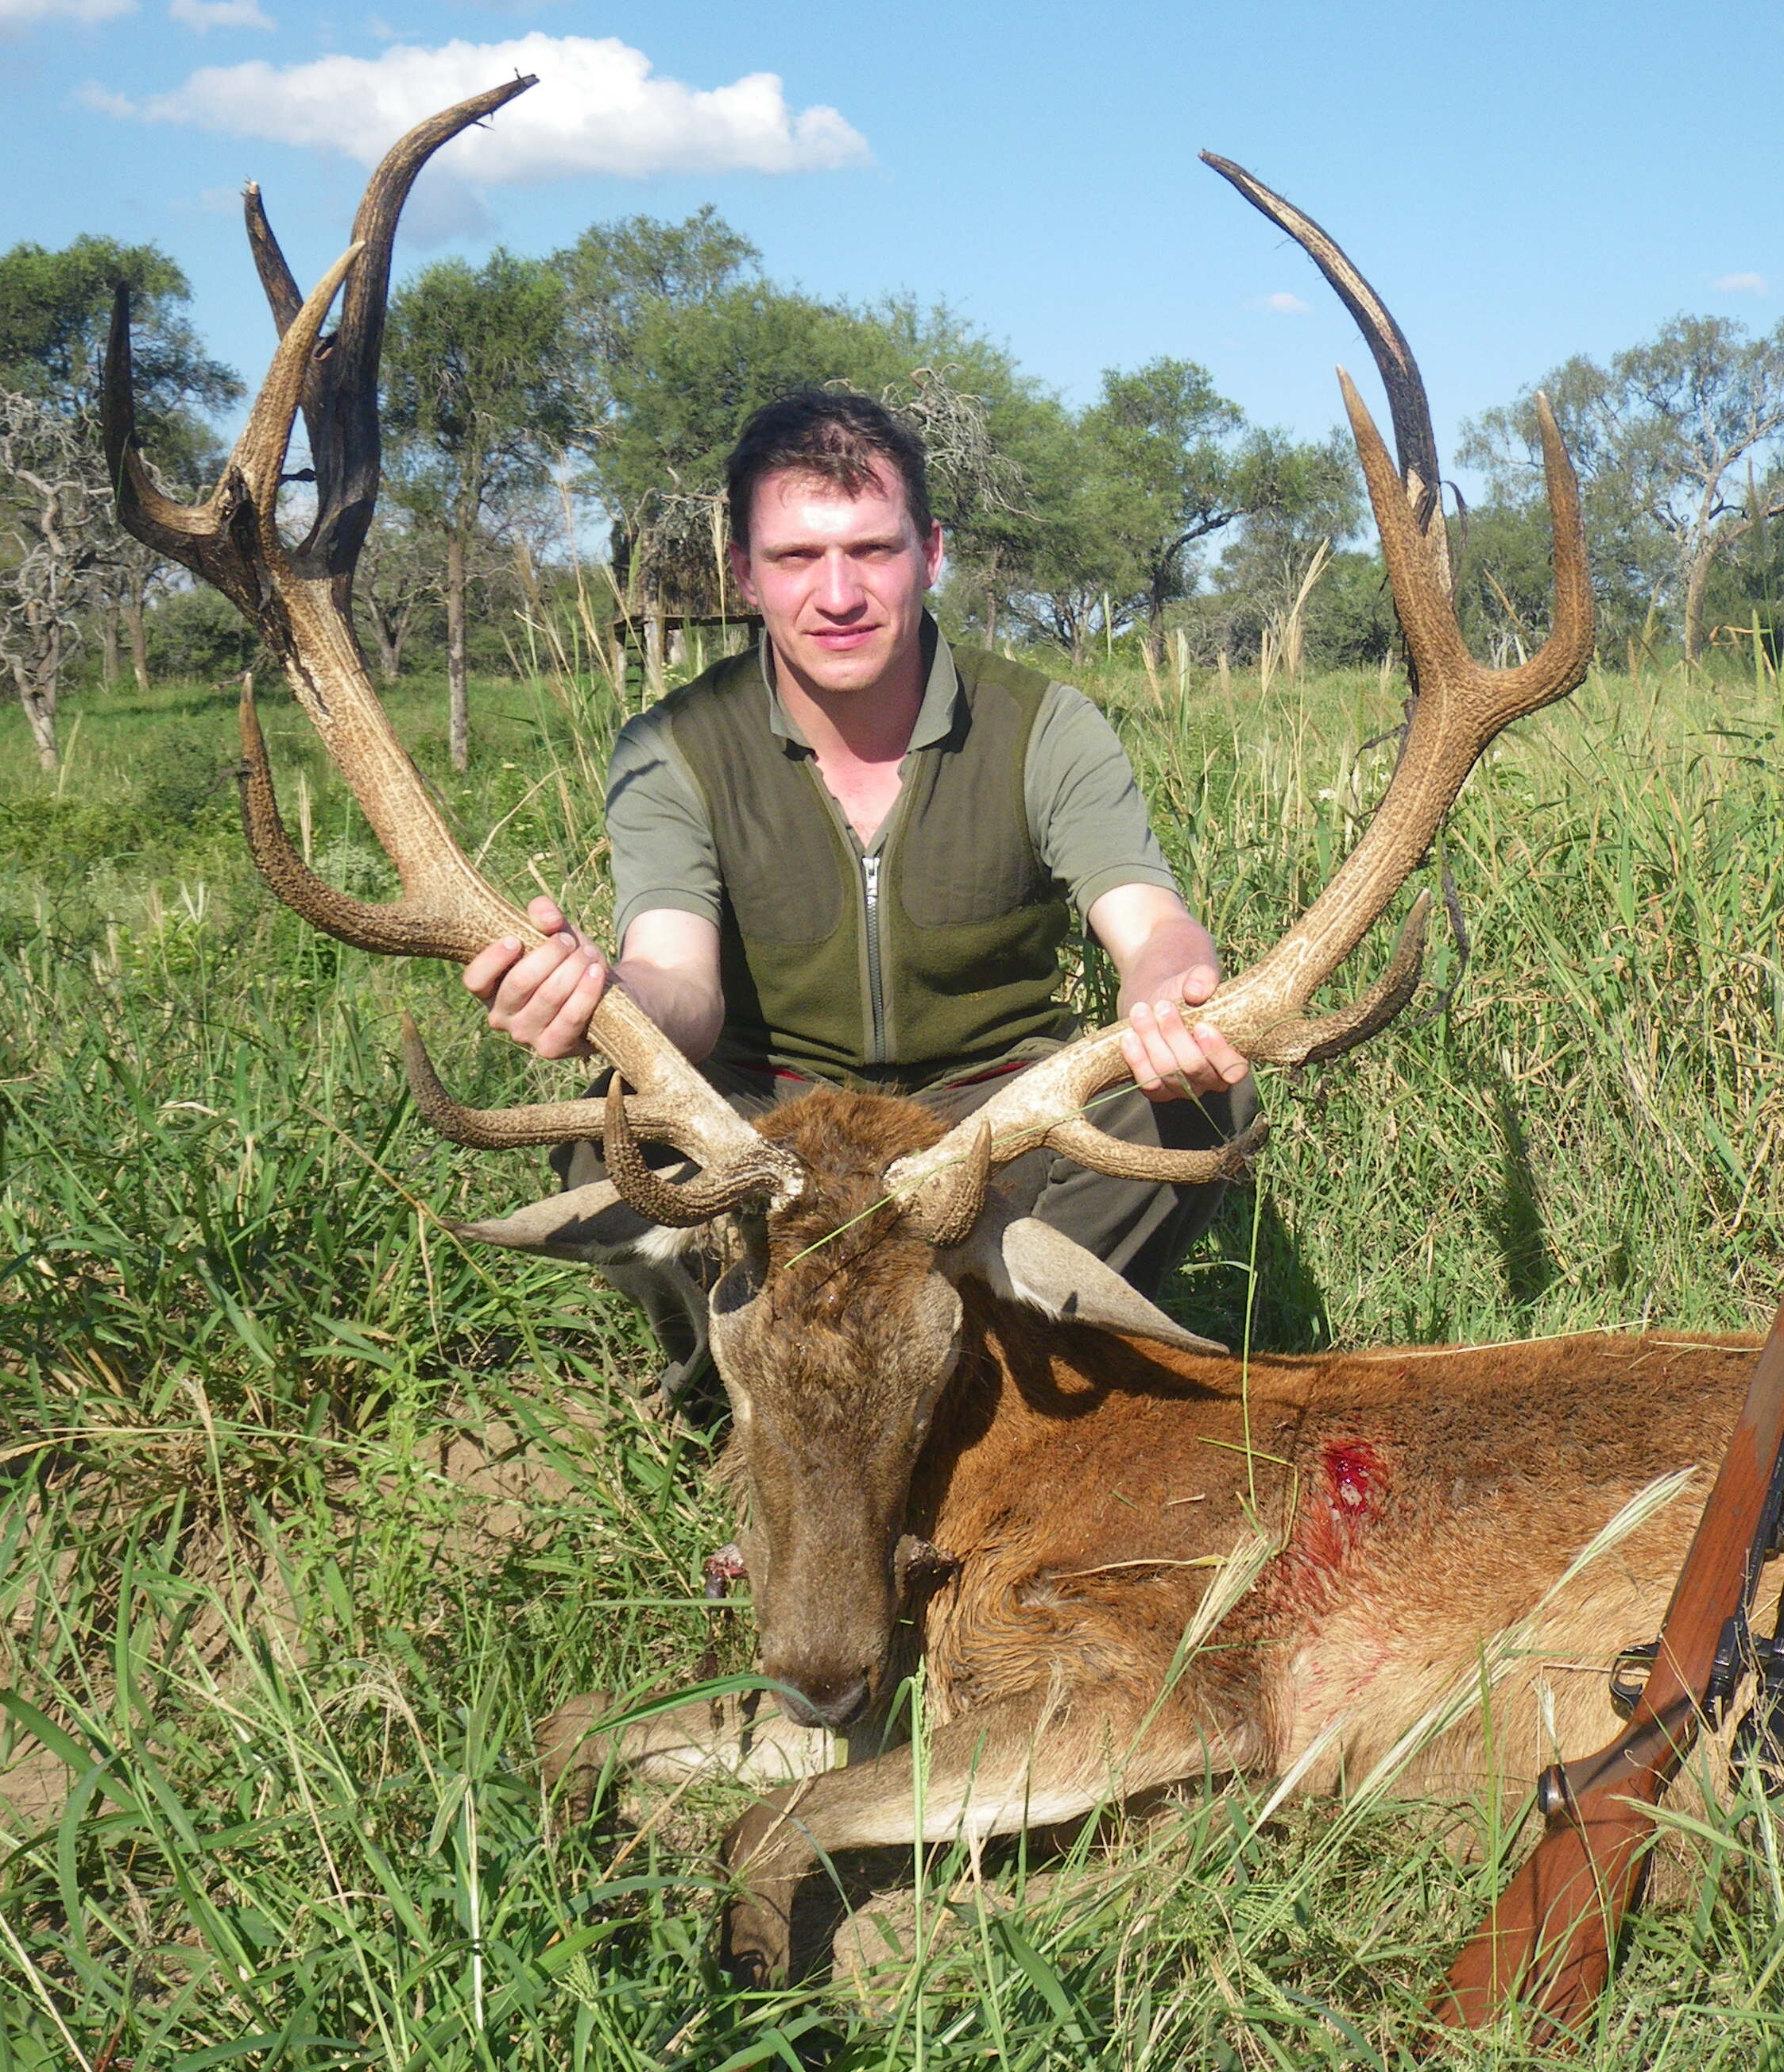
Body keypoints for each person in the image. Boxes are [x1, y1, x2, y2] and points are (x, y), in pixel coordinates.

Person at [462, 389, 1255, 1353]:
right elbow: (679, 982)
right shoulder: (673, 746)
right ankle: (730, 1380)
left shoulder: (1044, 726)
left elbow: (1149, 922)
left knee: (1193, 1100)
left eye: (872, 551)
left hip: (985, 1121)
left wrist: (1173, 991)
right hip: (770, 1125)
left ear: (932, 552)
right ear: (744, 574)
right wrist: (602, 996)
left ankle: (1003, 1374)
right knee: (608, 1117)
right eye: (796, 558)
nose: (837, 595)